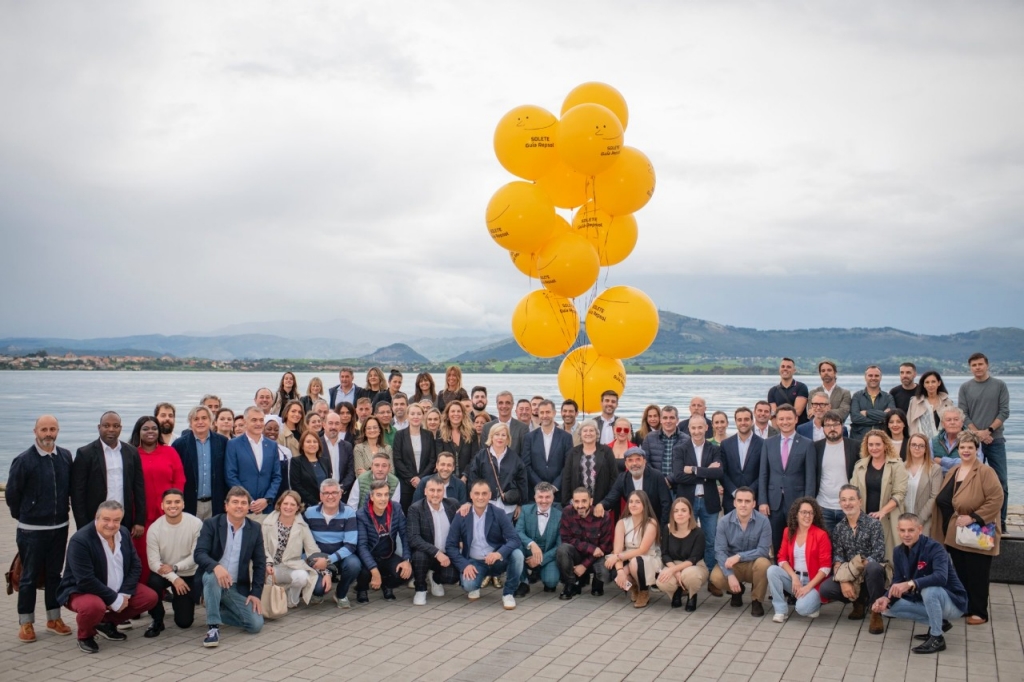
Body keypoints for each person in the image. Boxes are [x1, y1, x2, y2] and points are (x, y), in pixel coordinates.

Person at [57, 501, 160, 654]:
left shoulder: (124, 533)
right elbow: (85, 579)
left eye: (116, 520)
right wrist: (114, 599)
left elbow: (135, 566)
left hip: (117, 587)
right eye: (106, 519)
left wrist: (124, 594)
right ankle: (85, 636)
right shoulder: (80, 540)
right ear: (96, 518)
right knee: (93, 607)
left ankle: (106, 623)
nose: (111, 525)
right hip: (82, 590)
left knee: (149, 597)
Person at [7, 415, 74, 642]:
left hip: (59, 527)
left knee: (55, 575)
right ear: (35, 431)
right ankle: (26, 623)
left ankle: (54, 619)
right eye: (44, 429)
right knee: (29, 577)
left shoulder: (65, 456)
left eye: (52, 429)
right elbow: (12, 495)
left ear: (58, 431)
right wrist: (26, 514)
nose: (48, 433)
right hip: (31, 530)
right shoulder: (23, 460)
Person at [931, 431, 1003, 626]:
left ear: (976, 449)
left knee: (978, 574)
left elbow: (996, 499)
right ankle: (966, 606)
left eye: (970, 447)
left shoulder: (985, 472)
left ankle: (979, 611)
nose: (965, 451)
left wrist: (973, 517)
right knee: (961, 573)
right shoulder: (955, 470)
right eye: (962, 447)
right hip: (955, 533)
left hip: (976, 531)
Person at [871, 513, 967, 654]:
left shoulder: (935, 548)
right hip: (925, 601)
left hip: (953, 603)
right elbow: (897, 580)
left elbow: (941, 578)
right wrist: (886, 597)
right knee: (887, 608)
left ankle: (937, 638)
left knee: (929, 590)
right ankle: (939, 622)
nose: (906, 535)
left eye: (911, 530)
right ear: (898, 530)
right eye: (903, 530)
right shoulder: (898, 551)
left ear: (920, 529)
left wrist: (910, 583)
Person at [194, 487, 266, 647]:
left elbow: (260, 564)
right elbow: (199, 553)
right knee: (212, 576)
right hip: (212, 579)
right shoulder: (212, 524)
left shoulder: (254, 529)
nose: (239, 506)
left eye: (243, 503)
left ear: (248, 507)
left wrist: (256, 593)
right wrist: (216, 566)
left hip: (235, 586)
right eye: (235, 502)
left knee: (256, 625)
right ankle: (213, 628)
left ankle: (214, 605)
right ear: (226, 506)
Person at [818, 485, 888, 634]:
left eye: (851, 499)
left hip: (869, 573)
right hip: (849, 574)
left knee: (874, 568)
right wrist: (844, 581)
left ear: (860, 501)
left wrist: (855, 570)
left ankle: (876, 612)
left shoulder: (874, 524)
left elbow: (878, 553)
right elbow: (838, 557)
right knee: (826, 588)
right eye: (843, 500)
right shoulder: (838, 529)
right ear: (840, 503)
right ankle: (858, 602)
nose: (847, 503)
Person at [445, 480, 524, 609]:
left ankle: (509, 593)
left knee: (518, 555)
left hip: (496, 560)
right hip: (475, 562)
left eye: (484, 494)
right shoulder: (462, 515)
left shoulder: (498, 513)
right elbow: (450, 545)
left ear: (489, 495)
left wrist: (499, 553)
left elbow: (514, 539)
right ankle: (477, 583)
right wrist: (464, 565)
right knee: (469, 585)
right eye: (476, 493)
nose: (480, 497)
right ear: (471, 495)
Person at [130, 415, 186, 585]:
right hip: (140, 515)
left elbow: (179, 479)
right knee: (142, 554)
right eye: (145, 428)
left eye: (154, 428)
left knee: (166, 552)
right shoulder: (131, 453)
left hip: (166, 513)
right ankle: (141, 592)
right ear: (138, 432)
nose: (150, 432)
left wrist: (174, 505)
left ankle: (161, 591)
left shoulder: (170, 451)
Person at [958, 352, 1011, 531]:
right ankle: (975, 519)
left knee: (1001, 481)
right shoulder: (965, 387)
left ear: (987, 365)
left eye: (980, 364)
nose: (977, 368)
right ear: (970, 367)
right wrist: (977, 434)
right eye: (974, 365)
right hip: (973, 444)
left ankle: (1001, 523)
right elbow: (963, 414)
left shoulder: (999, 385)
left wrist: (988, 431)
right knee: (972, 483)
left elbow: (1004, 412)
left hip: (995, 440)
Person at [72, 411, 146, 534]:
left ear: (120, 428)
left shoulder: (131, 452)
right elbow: (77, 493)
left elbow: (138, 487)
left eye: (115, 426)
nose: (111, 429)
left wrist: (139, 520)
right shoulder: (85, 454)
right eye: (106, 426)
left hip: (123, 518)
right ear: (99, 427)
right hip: (95, 519)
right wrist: (82, 525)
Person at [758, 405, 816, 554]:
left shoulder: (807, 443)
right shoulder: (768, 443)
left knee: (797, 540)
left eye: (789, 418)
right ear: (776, 421)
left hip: (797, 501)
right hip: (773, 502)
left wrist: (808, 504)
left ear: (796, 419)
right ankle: (778, 571)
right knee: (776, 541)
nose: (785, 422)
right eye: (781, 419)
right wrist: (763, 501)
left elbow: (810, 477)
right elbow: (763, 474)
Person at [144, 489, 203, 636]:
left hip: (187, 573)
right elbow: (153, 562)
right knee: (153, 582)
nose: (173, 505)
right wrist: (174, 578)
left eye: (177, 502)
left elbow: (196, 555)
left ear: (183, 504)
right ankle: (157, 619)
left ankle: (179, 602)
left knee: (184, 623)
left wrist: (176, 568)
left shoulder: (195, 524)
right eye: (168, 502)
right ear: (162, 506)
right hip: (164, 573)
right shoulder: (154, 529)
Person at [766, 497, 832, 622]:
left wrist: (808, 587)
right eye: (804, 512)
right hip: (795, 579)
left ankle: (814, 604)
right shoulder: (788, 532)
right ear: (796, 514)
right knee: (772, 570)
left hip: (814, 582)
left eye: (811, 513)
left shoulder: (821, 535)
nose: (807, 516)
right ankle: (780, 611)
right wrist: (794, 577)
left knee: (801, 609)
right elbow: (781, 558)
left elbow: (826, 568)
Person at [671, 416, 723, 572]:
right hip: (688, 501)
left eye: (700, 427)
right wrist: (707, 473)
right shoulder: (680, 449)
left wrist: (694, 470)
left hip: (709, 501)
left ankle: (709, 574)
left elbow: (719, 473)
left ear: (706, 427)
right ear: (689, 429)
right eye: (693, 428)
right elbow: (679, 476)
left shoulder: (714, 449)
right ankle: (687, 572)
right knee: (686, 539)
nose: (697, 431)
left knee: (710, 540)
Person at [709, 487, 771, 617]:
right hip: (732, 565)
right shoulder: (724, 522)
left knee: (764, 564)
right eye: (740, 501)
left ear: (754, 503)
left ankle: (756, 600)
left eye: (747, 501)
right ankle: (736, 591)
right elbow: (720, 551)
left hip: (753, 564)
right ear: (734, 503)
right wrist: (730, 575)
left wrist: (739, 556)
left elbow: (764, 550)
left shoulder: (764, 521)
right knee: (716, 577)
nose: (743, 505)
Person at [851, 430, 908, 562]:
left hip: (888, 518)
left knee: (890, 558)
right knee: (866, 559)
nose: (874, 448)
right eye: (871, 445)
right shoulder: (860, 465)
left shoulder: (897, 465)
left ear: (885, 445)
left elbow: (899, 494)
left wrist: (882, 511)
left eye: (878, 444)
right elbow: (853, 492)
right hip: (864, 519)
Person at [303, 479, 361, 608]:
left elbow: (351, 545)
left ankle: (340, 594)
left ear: (340, 494)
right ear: (321, 495)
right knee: (319, 588)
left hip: (340, 556)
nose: (330, 496)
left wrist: (328, 560)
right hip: (317, 556)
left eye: (334, 492)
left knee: (354, 564)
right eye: (326, 493)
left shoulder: (349, 512)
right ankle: (318, 593)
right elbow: (304, 542)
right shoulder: (309, 513)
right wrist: (314, 561)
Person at [354, 480, 412, 603]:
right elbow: (362, 546)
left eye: (386, 494)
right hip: (369, 555)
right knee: (362, 571)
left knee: (407, 572)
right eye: (379, 495)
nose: (383, 499)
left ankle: (387, 585)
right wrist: (374, 571)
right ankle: (361, 589)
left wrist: (406, 560)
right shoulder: (361, 514)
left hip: (388, 555)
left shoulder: (396, 508)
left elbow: (405, 535)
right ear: (371, 497)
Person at [262, 490, 321, 610]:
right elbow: (263, 547)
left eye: (292, 504)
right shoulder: (267, 523)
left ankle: (292, 601)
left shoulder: (302, 526)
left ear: (298, 507)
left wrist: (326, 571)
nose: (288, 507)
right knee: (267, 578)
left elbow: (312, 549)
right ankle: (275, 599)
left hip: (292, 566)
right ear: (280, 504)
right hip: (272, 567)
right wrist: (268, 563)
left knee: (302, 577)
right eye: (285, 503)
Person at [407, 476, 460, 605]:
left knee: (453, 577)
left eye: (439, 490)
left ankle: (435, 578)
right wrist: (437, 553)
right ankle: (420, 588)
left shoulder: (453, 504)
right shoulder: (415, 509)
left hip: (446, 554)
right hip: (427, 553)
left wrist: (468, 505)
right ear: (425, 491)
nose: (435, 494)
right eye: (432, 490)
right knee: (419, 556)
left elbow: (463, 524)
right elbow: (414, 538)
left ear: (443, 492)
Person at [604, 490, 661, 608]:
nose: (633, 505)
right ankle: (634, 588)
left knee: (635, 562)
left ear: (644, 505)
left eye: (637, 502)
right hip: (627, 556)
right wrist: (620, 571)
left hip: (648, 557)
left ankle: (644, 591)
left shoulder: (651, 523)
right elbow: (617, 550)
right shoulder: (622, 522)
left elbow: (642, 550)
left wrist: (619, 557)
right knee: (613, 567)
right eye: (631, 502)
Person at [224, 407, 282, 520]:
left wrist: (267, 499)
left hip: (267, 508)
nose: (258, 423)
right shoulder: (233, 444)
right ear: (245, 422)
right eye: (254, 420)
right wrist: (248, 500)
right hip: (243, 508)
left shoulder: (272, 445)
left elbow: (276, 476)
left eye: (261, 420)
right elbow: (231, 475)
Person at [557, 487, 613, 600]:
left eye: (584, 501)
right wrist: (591, 548)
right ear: (572, 501)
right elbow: (566, 538)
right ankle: (570, 584)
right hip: (579, 553)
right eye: (576, 501)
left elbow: (604, 547)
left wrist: (584, 565)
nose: (580, 505)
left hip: (598, 556)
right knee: (563, 550)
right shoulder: (567, 512)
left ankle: (597, 582)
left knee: (604, 573)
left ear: (591, 501)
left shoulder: (604, 516)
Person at [173, 406, 229, 520]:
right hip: (190, 503)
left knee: (214, 536)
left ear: (211, 420)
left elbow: (227, 472)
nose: (200, 422)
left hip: (215, 503)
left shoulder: (222, 442)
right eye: (196, 419)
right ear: (190, 422)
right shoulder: (179, 445)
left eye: (204, 418)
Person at [596, 446, 672, 526]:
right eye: (630, 460)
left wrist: (662, 529)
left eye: (638, 459)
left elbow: (666, 504)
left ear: (644, 461)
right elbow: (611, 498)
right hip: (634, 522)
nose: (634, 463)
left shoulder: (657, 476)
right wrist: (601, 505)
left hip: (655, 521)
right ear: (626, 464)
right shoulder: (622, 479)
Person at [467, 422, 528, 520]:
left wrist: (520, 504)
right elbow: (473, 480)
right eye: (497, 434)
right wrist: (472, 501)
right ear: (491, 436)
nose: (500, 438)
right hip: (486, 505)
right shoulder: (481, 456)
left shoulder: (515, 458)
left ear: (507, 438)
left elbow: (522, 482)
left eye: (503, 435)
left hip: (508, 507)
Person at [656, 497, 708, 611]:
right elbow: (664, 554)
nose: (680, 514)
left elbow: (694, 558)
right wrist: (674, 570)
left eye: (683, 510)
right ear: (672, 514)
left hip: (694, 565)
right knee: (662, 581)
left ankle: (692, 595)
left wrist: (675, 571)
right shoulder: (667, 529)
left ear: (690, 514)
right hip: (673, 564)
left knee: (690, 575)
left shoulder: (698, 532)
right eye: (676, 511)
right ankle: (677, 591)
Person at [813, 411, 860, 534]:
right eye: (828, 425)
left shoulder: (855, 446)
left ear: (842, 426)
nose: (832, 428)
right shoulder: (816, 447)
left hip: (848, 506)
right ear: (823, 428)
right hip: (823, 506)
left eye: (836, 424)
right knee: (826, 547)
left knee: (849, 546)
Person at [514, 482, 562, 595]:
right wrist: (532, 544)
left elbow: (559, 545)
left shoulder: (560, 515)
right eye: (540, 497)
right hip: (528, 552)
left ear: (553, 497)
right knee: (515, 546)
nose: (544, 501)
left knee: (551, 582)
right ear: (535, 497)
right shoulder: (525, 510)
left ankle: (541, 572)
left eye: (547, 497)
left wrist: (540, 560)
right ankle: (523, 582)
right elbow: (518, 532)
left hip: (548, 555)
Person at [521, 399, 574, 498]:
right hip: (536, 493)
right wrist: (541, 486)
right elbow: (526, 465)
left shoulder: (566, 437)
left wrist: (554, 486)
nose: (545, 416)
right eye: (542, 412)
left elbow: (568, 465)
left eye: (548, 412)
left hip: (558, 493)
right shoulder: (529, 437)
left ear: (554, 413)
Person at [561, 419, 617, 507]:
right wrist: (567, 502)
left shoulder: (606, 451)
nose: (588, 433)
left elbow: (614, 478)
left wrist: (606, 503)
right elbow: (566, 478)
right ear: (580, 434)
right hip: (577, 504)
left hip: (601, 503)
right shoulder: (573, 452)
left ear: (597, 433)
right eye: (585, 430)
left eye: (591, 430)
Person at [394, 403, 438, 511]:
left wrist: (421, 478)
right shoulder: (400, 435)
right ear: (407, 416)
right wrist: (411, 479)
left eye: (419, 414)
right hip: (406, 483)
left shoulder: (428, 435)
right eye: (412, 413)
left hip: (425, 482)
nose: (415, 416)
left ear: (423, 416)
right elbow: (397, 459)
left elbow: (432, 460)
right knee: (406, 512)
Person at [721, 407, 764, 514]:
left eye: (746, 419)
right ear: (735, 422)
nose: (743, 423)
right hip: (731, 499)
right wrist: (735, 492)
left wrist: (750, 492)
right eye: (739, 420)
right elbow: (722, 472)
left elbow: (763, 472)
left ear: (752, 421)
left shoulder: (763, 444)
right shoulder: (725, 444)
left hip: (754, 499)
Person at [904, 434, 942, 532]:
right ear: (909, 447)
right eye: (913, 445)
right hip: (903, 520)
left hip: (924, 521)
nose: (917, 448)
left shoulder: (934, 469)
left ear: (926, 449)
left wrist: (919, 520)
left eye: (921, 446)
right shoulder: (901, 467)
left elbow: (934, 497)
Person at [641, 405, 685, 487]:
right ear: (660, 420)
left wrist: (669, 480)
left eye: (672, 418)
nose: (668, 421)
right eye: (665, 418)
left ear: (677, 420)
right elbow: (645, 461)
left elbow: (685, 464)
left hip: (678, 487)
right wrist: (658, 479)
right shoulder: (649, 438)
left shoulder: (686, 439)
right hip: (655, 485)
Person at [850, 366, 896, 441]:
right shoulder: (857, 396)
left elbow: (890, 417)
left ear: (881, 377)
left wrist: (867, 413)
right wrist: (880, 420)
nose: (873, 378)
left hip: (882, 440)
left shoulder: (888, 397)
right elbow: (855, 418)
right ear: (865, 377)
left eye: (876, 375)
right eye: (870, 375)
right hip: (859, 439)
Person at [288, 432, 333, 508]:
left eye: (315, 442)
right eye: (308, 442)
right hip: (306, 505)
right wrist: (315, 502)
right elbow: (296, 485)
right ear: (302, 445)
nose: (312, 444)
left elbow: (328, 482)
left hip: (325, 504)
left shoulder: (325, 461)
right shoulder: (296, 461)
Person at [907, 370, 954, 440]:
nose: (930, 385)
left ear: (939, 383)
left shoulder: (947, 402)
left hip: (943, 443)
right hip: (921, 443)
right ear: (923, 385)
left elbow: (952, 423)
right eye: (927, 382)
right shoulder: (915, 402)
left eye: (933, 382)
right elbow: (910, 423)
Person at [320, 411, 355, 501]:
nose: (333, 427)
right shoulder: (317, 444)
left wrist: (341, 489)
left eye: (337, 424)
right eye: (330, 423)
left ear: (340, 426)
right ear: (324, 425)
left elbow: (350, 472)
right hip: (321, 494)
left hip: (342, 495)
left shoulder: (347, 446)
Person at [481, 391, 528, 455]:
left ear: (512, 405)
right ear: (497, 405)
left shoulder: (522, 428)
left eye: (507, 403)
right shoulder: (487, 427)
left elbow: (525, 454)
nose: (504, 406)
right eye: (501, 403)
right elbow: (483, 454)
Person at [436, 400, 473, 482]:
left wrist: (465, 476)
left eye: (459, 411)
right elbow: (439, 457)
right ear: (448, 415)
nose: (456, 414)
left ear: (463, 414)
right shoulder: (440, 433)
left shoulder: (471, 433)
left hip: (467, 479)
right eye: (452, 411)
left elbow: (474, 457)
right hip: (446, 479)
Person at [768, 357, 809, 424]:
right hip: (780, 429)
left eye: (788, 367)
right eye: (783, 366)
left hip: (799, 429)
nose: (785, 369)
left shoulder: (801, 387)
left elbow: (797, 412)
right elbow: (773, 415)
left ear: (794, 370)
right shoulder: (773, 391)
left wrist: (779, 415)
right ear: (779, 369)